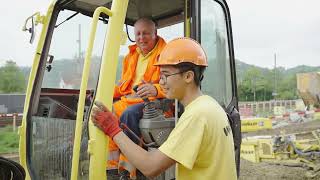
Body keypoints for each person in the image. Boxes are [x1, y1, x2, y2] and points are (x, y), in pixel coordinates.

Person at [92, 37, 237, 179]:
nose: (161, 82)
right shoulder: (210, 105)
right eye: (160, 76)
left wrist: (112, 129)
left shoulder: (196, 116)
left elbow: (150, 167)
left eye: (166, 75)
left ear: (188, 76)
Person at [109, 18, 167, 178]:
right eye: (138, 34)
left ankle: (128, 170)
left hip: (156, 103)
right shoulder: (131, 56)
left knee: (129, 114)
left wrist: (154, 89)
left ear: (155, 34)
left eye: (146, 33)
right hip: (131, 98)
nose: (141, 38)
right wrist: (104, 92)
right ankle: (111, 167)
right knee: (104, 109)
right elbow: (123, 85)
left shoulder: (166, 54)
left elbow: (174, 84)